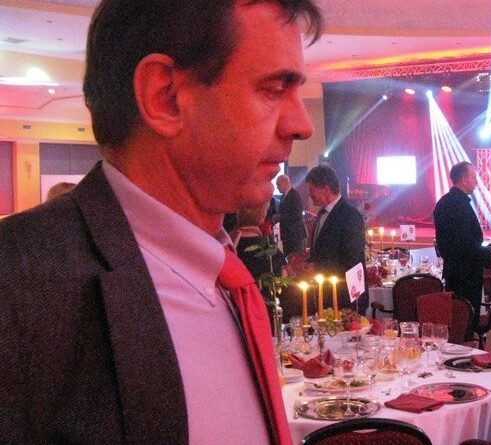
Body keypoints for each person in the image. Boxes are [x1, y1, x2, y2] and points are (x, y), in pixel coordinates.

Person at [0, 1, 322, 443]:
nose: (302, 125)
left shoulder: (228, 278)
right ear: (165, 97)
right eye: (273, 89)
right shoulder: (18, 287)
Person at [433, 161, 491, 321]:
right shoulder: (458, 204)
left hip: (458, 270)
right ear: (464, 180)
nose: (476, 181)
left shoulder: (448, 201)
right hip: (465, 274)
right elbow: (464, 242)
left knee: (459, 318)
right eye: (473, 177)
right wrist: (488, 255)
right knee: (464, 319)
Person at [305, 165, 365, 308]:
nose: (309, 194)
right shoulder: (322, 213)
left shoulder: (350, 216)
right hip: (325, 293)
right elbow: (321, 251)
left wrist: (317, 268)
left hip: (345, 296)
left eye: (312, 190)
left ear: (326, 190)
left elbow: (352, 260)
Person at [272, 173, 307, 255]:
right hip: (287, 234)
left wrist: (280, 217)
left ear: (286, 183)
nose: (277, 187)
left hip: (295, 235)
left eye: (279, 185)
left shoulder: (294, 195)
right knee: (287, 256)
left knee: (294, 257)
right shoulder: (283, 196)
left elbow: (297, 215)